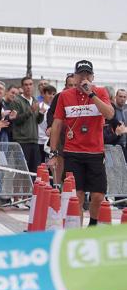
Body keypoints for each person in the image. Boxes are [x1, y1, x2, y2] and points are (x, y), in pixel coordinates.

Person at [48, 60, 114, 226]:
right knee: (76, 195)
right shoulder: (64, 96)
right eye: (81, 74)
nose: (84, 77)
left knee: (98, 195)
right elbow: (56, 125)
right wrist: (54, 152)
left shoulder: (101, 92)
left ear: (92, 76)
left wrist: (92, 95)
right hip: (73, 152)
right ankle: (76, 230)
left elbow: (110, 114)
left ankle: (92, 224)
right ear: (75, 77)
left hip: (95, 152)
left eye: (87, 74)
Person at [46, 73, 77, 184]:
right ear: (65, 85)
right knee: (59, 164)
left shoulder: (82, 97)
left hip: (76, 137)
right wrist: (50, 126)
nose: (72, 88)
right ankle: (57, 188)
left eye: (75, 85)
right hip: (60, 135)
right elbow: (51, 113)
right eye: (70, 85)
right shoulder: (60, 96)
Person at [10, 77, 44, 175]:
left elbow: (37, 121)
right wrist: (31, 110)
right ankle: (17, 191)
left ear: (33, 86)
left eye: (30, 84)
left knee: (33, 172)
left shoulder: (34, 101)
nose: (28, 87)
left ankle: (30, 191)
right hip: (22, 141)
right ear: (22, 87)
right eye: (26, 85)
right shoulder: (16, 101)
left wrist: (41, 113)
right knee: (20, 172)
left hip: (34, 141)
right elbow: (16, 120)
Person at [37, 85, 56, 162]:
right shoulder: (39, 106)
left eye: (53, 94)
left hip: (49, 141)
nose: (51, 96)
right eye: (49, 94)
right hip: (40, 140)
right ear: (43, 94)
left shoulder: (54, 108)